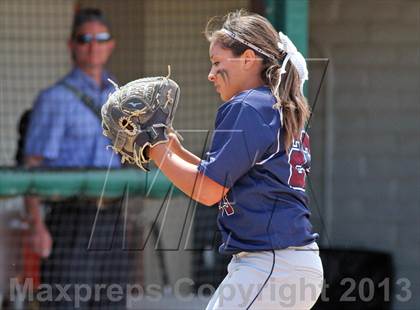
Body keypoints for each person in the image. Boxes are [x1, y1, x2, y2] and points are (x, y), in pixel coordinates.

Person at [148, 10, 324, 309]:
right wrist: (173, 151)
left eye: (217, 63)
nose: (211, 74)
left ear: (248, 59)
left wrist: (154, 150)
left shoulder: (248, 105)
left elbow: (208, 191)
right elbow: (228, 181)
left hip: (270, 263)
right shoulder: (273, 104)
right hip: (288, 262)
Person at [24, 8, 133, 309]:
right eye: (85, 39)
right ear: (71, 44)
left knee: (112, 303)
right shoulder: (55, 99)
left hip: (112, 219)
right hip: (70, 218)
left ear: (111, 44)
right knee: (64, 303)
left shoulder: (122, 98)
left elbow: (129, 157)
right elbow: (31, 168)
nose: (93, 45)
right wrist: (36, 227)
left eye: (101, 38)